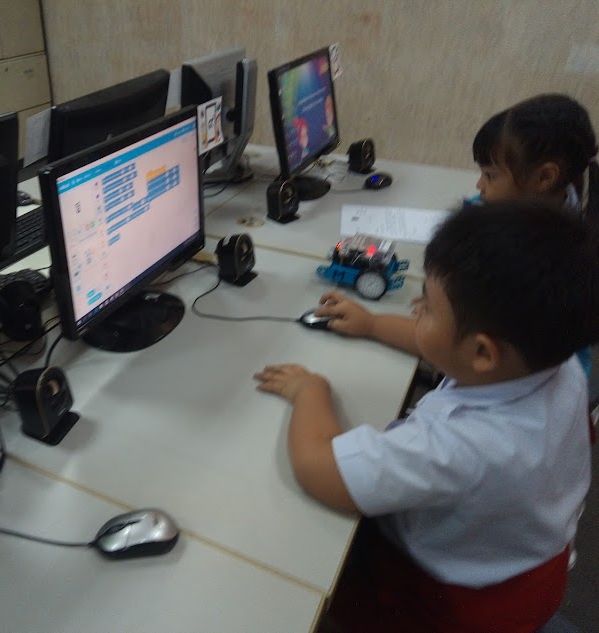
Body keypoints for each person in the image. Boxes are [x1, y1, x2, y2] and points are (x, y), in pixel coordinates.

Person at [254, 201, 598, 633]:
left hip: (446, 603)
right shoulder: (557, 366)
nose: (415, 308)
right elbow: (449, 349)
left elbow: (319, 469)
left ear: (482, 352)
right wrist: (373, 324)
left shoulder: (458, 447)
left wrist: (310, 391)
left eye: (429, 307)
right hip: (529, 564)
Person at [317, 93, 598, 376]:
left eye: (490, 175)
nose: (479, 185)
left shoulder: (529, 266)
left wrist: (371, 324)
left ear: (545, 177)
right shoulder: (562, 208)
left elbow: (452, 346)